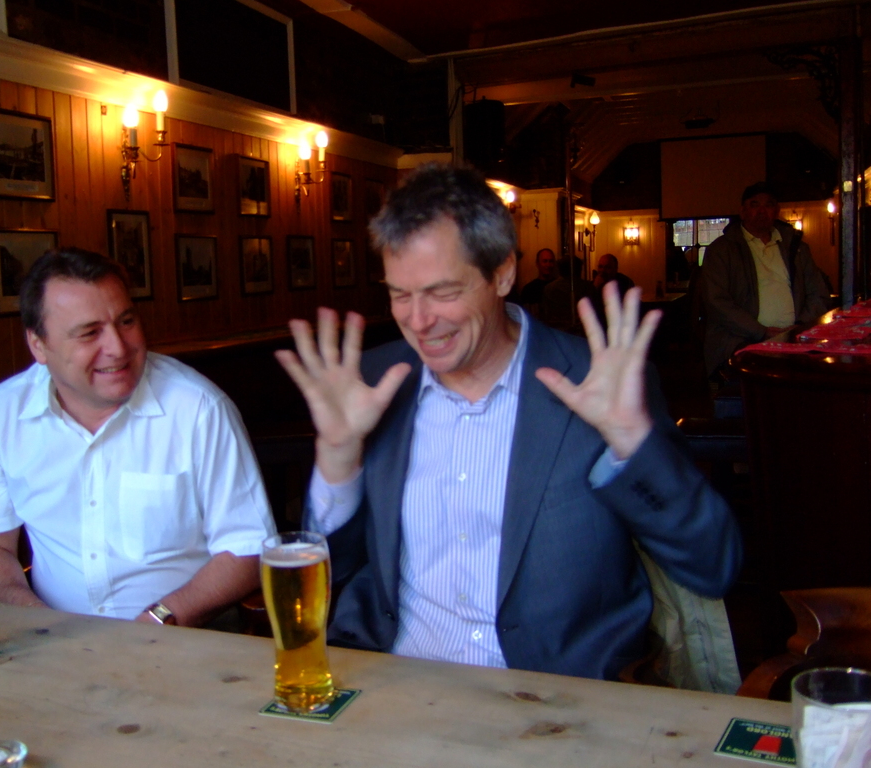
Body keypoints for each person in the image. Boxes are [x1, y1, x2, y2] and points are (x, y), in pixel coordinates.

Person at [275, 163, 742, 681]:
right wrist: (339, 457)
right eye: (400, 294)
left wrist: (632, 443)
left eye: (442, 292)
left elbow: (712, 565)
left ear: (502, 273)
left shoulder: (598, 383)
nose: (418, 321)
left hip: (555, 697)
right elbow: (330, 573)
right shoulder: (373, 383)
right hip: (394, 682)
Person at [0, 248, 274, 627]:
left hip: (181, 636)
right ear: (38, 345)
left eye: (126, 321)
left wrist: (159, 619)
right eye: (90, 332)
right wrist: (39, 622)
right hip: (51, 642)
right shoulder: (2, 414)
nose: (118, 348)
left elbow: (248, 550)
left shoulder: (198, 409)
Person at [702, 181, 829, 376]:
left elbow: (818, 293)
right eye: (754, 204)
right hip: (740, 341)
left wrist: (799, 328)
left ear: (776, 211)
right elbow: (716, 302)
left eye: (768, 205)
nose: (762, 211)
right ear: (743, 211)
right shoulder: (722, 250)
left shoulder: (796, 248)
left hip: (795, 341)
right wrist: (761, 332)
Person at [539, 255, 594, 334]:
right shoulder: (587, 288)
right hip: (581, 334)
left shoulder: (549, 289)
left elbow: (545, 315)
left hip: (557, 333)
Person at [517, 248, 557, 315]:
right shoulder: (529, 289)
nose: (548, 265)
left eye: (551, 261)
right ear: (537, 263)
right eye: (545, 261)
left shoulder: (558, 288)